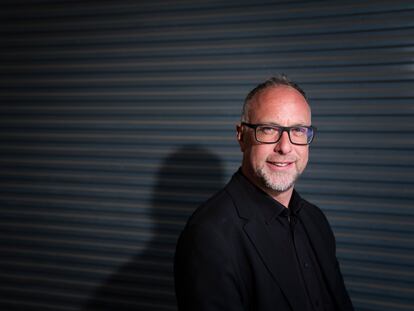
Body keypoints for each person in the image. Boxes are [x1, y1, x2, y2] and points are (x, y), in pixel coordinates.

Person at [174, 75, 354, 311]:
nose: (285, 147)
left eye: (298, 130)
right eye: (269, 129)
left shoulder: (316, 220)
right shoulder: (209, 234)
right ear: (241, 136)